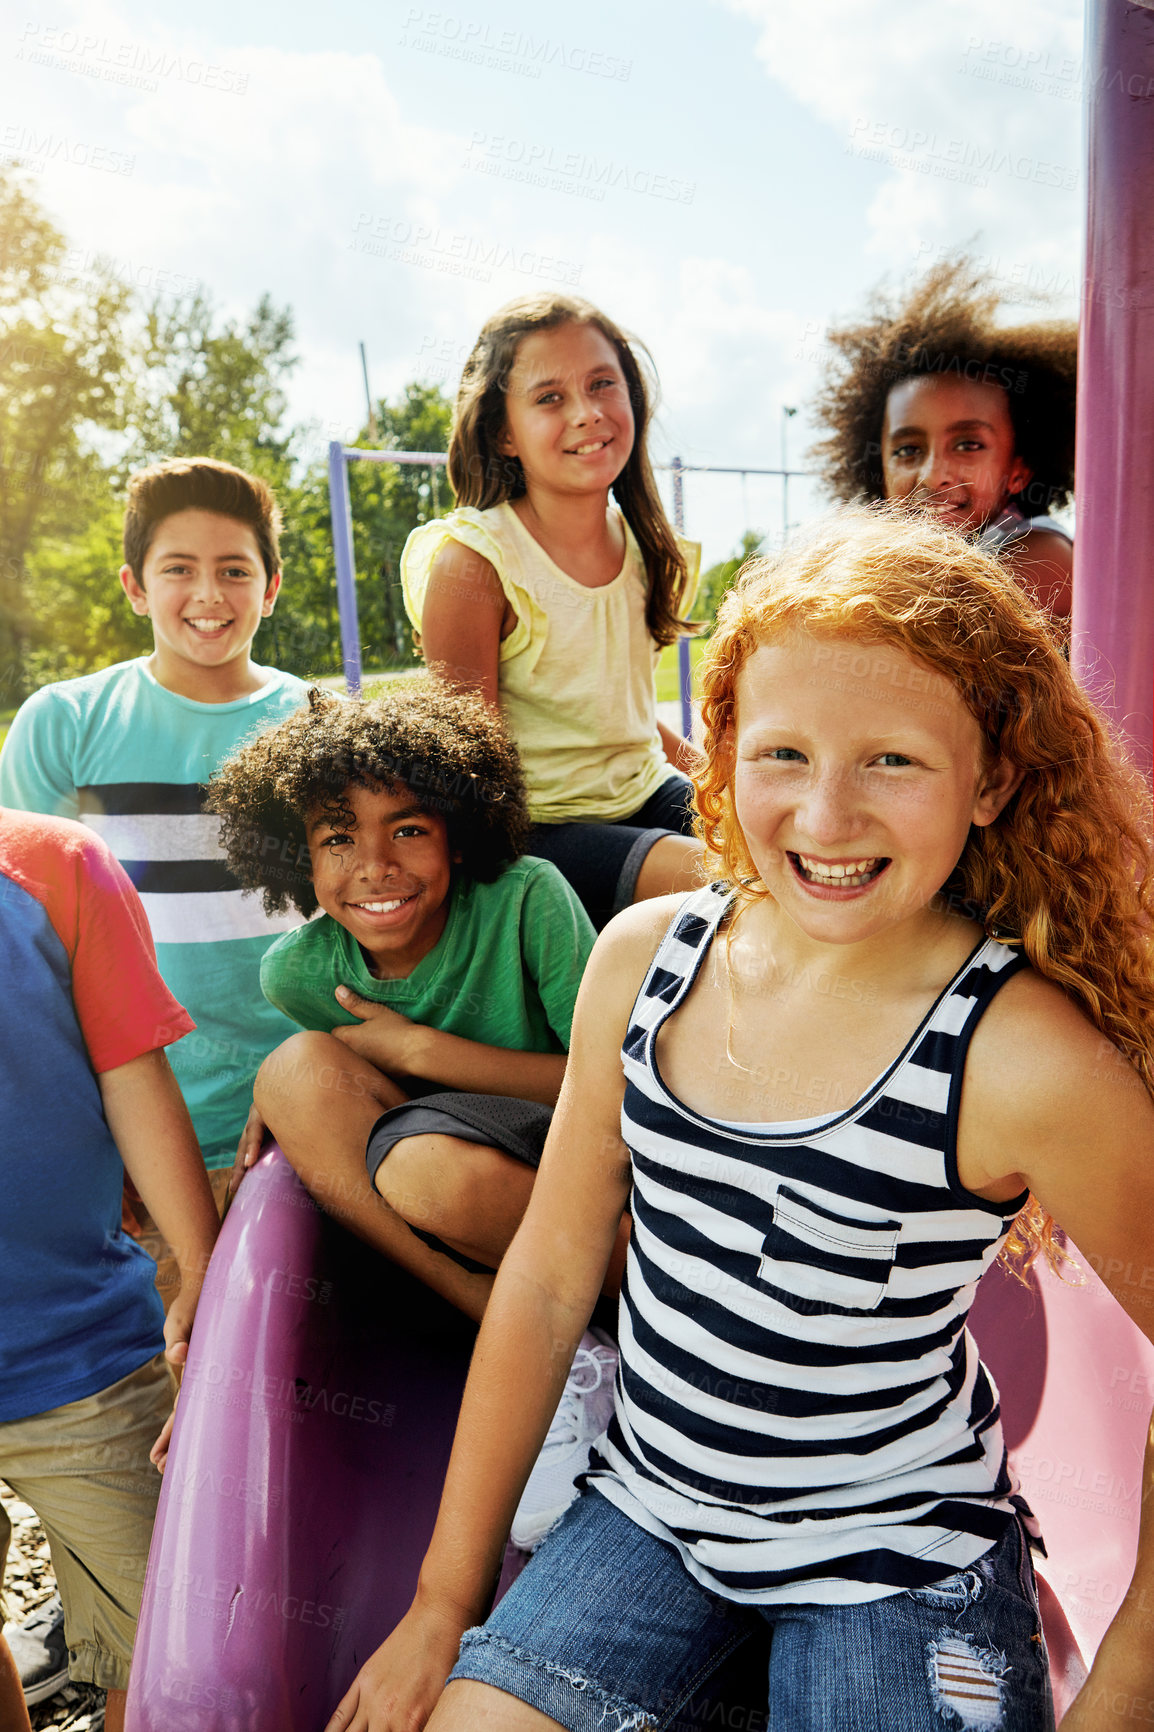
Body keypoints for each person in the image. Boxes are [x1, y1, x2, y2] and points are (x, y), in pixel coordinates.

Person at [327, 507, 1154, 1732]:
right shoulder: (644, 962)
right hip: (653, 1510)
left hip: (897, 1558)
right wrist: (442, 1602)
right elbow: (552, 1279)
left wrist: (1126, 1693)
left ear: (989, 780)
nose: (824, 818)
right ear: (719, 752)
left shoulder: (1021, 1056)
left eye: (891, 760)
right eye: (781, 755)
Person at [208, 680, 614, 1547]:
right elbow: (338, 1090)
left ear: (458, 839)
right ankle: (554, 1352)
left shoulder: (527, 900)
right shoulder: (302, 972)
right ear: (299, 860)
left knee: (430, 1170)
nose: (374, 866)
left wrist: (421, 1053)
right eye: (337, 838)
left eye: (409, 829)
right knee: (288, 1073)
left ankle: (578, 1331)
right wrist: (283, 1094)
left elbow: (616, 1087)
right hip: (451, 1202)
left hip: (574, 1171)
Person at [0, 458, 309, 1291]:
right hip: (138, 1144)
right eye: (179, 569)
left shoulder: (315, 720)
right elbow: (28, 950)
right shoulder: (64, 723)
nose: (208, 594)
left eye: (234, 570)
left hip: (297, 1125)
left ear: (272, 587)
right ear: (136, 587)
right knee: (175, 1386)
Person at [0, 809, 219, 1732]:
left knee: (174, 1642)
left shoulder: (56, 866)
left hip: (82, 1351)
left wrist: (203, 1267)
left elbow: (133, 1070)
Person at [400, 293, 704, 931]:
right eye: (549, 398)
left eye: (602, 385)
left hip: (643, 793)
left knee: (774, 835)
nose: (587, 413)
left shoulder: (645, 551)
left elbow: (625, 719)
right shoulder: (475, 563)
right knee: (712, 871)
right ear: (504, 432)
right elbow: (467, 766)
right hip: (537, 828)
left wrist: (721, 779)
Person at [811, 255, 1076, 624]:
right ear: (878, 465)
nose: (934, 475)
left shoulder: (1042, 555)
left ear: (1020, 469)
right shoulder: (909, 559)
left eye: (968, 445)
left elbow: (933, 636)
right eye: (908, 450)